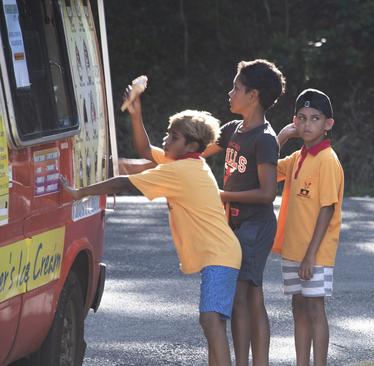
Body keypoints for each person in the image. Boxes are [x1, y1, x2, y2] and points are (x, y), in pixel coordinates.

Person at [60, 83, 242, 366]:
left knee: (211, 322)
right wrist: (136, 113)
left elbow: (123, 183)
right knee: (211, 323)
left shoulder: (180, 171)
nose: (166, 139)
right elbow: (145, 149)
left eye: (174, 136)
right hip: (221, 254)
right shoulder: (183, 163)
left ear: (191, 146)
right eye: (168, 133)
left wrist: (80, 192)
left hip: (221, 255)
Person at [202, 59, 285, 366]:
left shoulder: (264, 138)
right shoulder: (232, 130)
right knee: (251, 298)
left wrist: (222, 195)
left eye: (236, 87)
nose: (230, 92)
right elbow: (198, 151)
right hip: (236, 225)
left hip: (256, 227)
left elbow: (266, 193)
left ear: (253, 96)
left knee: (241, 298)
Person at [273, 89, 344, 366]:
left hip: (315, 253)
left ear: (328, 124)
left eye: (315, 118)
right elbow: (266, 170)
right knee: (298, 308)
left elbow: (328, 208)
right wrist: (280, 138)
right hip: (293, 249)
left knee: (315, 307)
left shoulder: (327, 160)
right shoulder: (297, 157)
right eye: (301, 118)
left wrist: (311, 255)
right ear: (294, 121)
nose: (307, 124)